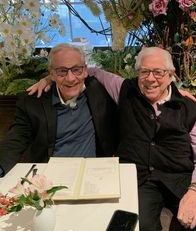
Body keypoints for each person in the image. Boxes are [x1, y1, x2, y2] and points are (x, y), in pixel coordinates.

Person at [28, 46, 196, 231]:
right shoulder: (124, 89)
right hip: (138, 179)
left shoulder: (189, 108)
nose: (151, 79)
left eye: (159, 72)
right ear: (137, 73)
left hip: (181, 178)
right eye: (145, 72)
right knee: (142, 229)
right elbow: (90, 71)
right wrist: (48, 78)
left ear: (171, 75)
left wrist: (195, 191)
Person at [0, 43, 118, 176]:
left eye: (76, 70)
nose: (70, 78)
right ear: (52, 74)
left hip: (91, 174)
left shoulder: (98, 90)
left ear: (84, 71)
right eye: (62, 71)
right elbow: (15, 140)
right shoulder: (33, 102)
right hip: (49, 177)